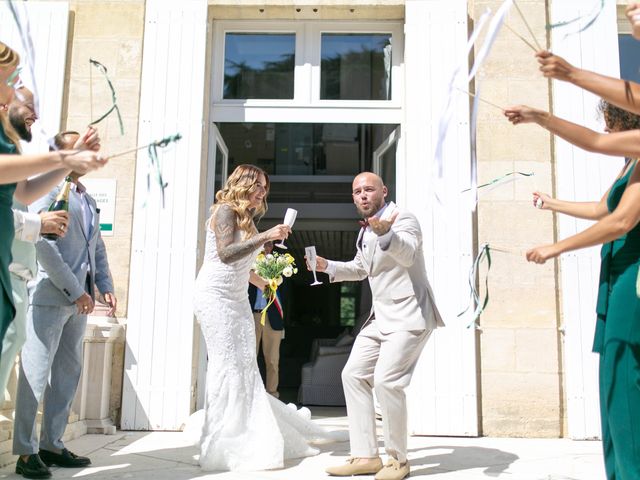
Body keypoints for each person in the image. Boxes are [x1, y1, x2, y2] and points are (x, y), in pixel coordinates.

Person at [506, 102, 640, 480]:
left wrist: (556, 247)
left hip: (634, 276)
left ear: (624, 122)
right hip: (617, 274)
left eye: (612, 125)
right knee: (612, 383)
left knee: (623, 378)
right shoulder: (630, 163)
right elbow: (603, 208)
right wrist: (552, 204)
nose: (608, 134)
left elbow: (622, 221)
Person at [193, 164, 346, 471]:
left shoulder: (246, 218)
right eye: (258, 185)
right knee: (228, 366)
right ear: (243, 183)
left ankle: (245, 434)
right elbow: (224, 255)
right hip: (215, 297)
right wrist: (265, 236)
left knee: (246, 366)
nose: (263, 191)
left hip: (236, 298)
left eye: (265, 187)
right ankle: (224, 440)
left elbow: (238, 264)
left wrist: (260, 280)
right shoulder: (225, 210)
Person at [312, 172, 443, 480]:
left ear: (383, 191)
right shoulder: (365, 231)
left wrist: (387, 234)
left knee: (386, 382)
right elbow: (361, 269)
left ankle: (398, 460)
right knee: (353, 374)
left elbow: (408, 253)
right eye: (357, 191)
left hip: (409, 315)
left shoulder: (403, 218)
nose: (363, 195)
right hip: (380, 317)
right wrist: (327, 266)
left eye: (368, 189)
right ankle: (364, 456)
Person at [13, 130, 116, 479]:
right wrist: (76, 291)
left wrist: (104, 284)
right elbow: (43, 243)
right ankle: (25, 453)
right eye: (78, 150)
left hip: (80, 302)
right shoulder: (49, 190)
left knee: (67, 376)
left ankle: (51, 444)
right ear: (61, 153)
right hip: (50, 297)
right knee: (36, 375)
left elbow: (96, 246)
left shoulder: (86, 197)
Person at [0, 42, 106, 365]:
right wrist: (64, 156)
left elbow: (24, 194)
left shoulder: (10, 141)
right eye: (12, 80)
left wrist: (68, 163)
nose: (16, 88)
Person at [248, 240, 285, 398]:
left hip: (272, 317)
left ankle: (272, 395)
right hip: (252, 316)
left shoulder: (280, 267)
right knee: (250, 358)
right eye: (263, 245)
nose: (266, 248)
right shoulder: (249, 266)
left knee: (272, 360)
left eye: (269, 245)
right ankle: (250, 395)